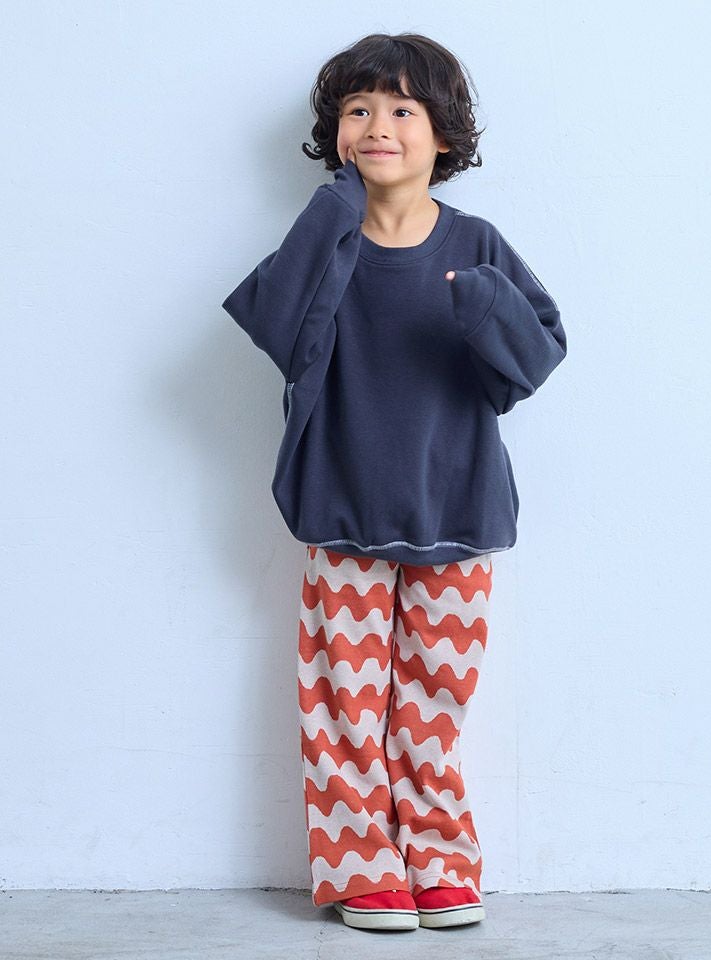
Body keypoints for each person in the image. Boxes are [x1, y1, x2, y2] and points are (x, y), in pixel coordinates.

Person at [222, 32, 567, 931]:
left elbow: (532, 363)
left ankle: (441, 861)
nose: (378, 125)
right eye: (359, 109)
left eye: (402, 109)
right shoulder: (327, 239)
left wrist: (485, 306)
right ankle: (361, 870)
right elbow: (270, 320)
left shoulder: (477, 242)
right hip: (341, 510)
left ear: (442, 134)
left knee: (432, 707)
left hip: (458, 511)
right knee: (343, 706)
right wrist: (331, 211)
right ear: (336, 133)